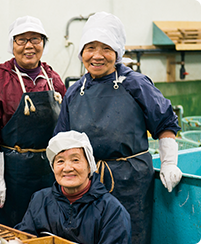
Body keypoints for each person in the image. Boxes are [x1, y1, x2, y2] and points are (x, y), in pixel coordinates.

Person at [53, 11, 182, 244]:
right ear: (82, 52)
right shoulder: (74, 91)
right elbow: (62, 141)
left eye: (106, 48)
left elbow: (165, 122)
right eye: (90, 47)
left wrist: (169, 162)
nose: (97, 56)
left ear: (117, 53)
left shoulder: (136, 84)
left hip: (131, 182)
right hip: (88, 184)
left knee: (130, 236)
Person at [0, 16, 67, 227]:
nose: (29, 46)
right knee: (13, 227)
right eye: (21, 40)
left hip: (49, 171)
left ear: (43, 43)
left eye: (35, 39)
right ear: (12, 45)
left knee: (49, 226)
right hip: (13, 173)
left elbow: (67, 127)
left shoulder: (52, 79)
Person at [15, 130, 131, 243]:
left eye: (75, 160)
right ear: (53, 167)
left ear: (89, 166)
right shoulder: (40, 200)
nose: (67, 168)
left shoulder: (111, 211)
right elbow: (25, 236)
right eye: (60, 161)